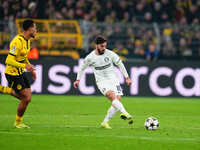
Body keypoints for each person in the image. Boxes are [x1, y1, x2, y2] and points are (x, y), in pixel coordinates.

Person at [73, 36, 133, 129]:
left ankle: (105, 122)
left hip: (113, 79)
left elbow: (120, 64)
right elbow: (81, 68)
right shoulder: (90, 57)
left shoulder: (110, 54)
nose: (104, 48)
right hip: (102, 82)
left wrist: (127, 77)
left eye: (105, 46)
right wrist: (78, 80)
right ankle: (124, 112)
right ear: (96, 45)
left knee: (117, 100)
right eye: (102, 46)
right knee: (112, 96)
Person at [0, 19, 37, 128]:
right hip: (12, 73)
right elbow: (8, 60)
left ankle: (18, 122)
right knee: (25, 98)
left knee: (27, 98)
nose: (36, 30)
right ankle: (18, 123)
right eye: (34, 28)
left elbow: (23, 57)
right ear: (29, 29)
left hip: (21, 72)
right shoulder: (17, 41)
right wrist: (25, 66)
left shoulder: (27, 41)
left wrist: (31, 68)